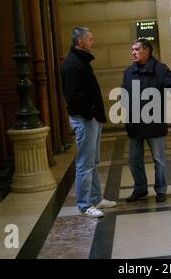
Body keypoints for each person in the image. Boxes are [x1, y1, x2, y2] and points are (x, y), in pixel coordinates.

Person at [122, 39, 171, 203]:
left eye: (136, 49)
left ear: (147, 51)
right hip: (135, 124)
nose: (133, 52)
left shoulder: (160, 69)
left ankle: (161, 190)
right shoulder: (129, 71)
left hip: (154, 123)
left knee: (159, 160)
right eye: (132, 49)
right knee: (134, 160)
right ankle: (140, 189)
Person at [62, 27, 116, 217]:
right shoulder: (72, 64)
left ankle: (96, 198)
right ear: (80, 42)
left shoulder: (82, 61)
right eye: (90, 39)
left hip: (92, 119)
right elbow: (73, 96)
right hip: (85, 120)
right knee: (85, 163)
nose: (93, 42)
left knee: (93, 161)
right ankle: (85, 205)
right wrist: (90, 114)